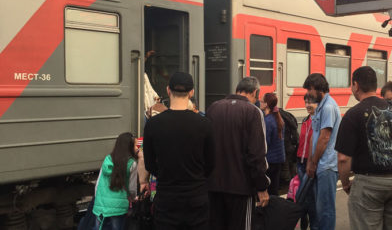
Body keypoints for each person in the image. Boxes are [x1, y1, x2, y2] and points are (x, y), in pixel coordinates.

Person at [336, 67, 392, 230]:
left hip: (370, 184)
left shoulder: (353, 114)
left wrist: (345, 182)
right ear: (375, 85)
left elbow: (343, 158)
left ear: (355, 85)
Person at [143, 72, 215, 229]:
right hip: (197, 197)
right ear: (191, 92)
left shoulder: (153, 124)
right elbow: (211, 164)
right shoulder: (205, 124)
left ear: (168, 90)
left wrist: (164, 174)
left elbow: (149, 164)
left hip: (166, 199)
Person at [206, 76, 270, 230]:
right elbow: (256, 155)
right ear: (255, 92)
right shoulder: (253, 112)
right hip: (241, 188)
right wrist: (262, 187)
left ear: (237, 90)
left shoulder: (213, 108)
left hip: (213, 186)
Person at [303, 73, 341, 230]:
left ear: (317, 89)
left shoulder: (328, 107)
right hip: (320, 164)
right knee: (319, 208)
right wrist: (310, 161)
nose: (308, 94)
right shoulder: (321, 106)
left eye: (309, 90)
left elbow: (324, 138)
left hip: (327, 165)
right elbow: (315, 135)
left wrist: (313, 162)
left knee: (325, 209)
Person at [92, 132, 139, 230]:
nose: (137, 148)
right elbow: (132, 188)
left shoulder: (107, 159)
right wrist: (134, 197)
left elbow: (98, 183)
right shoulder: (132, 164)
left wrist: (98, 200)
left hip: (101, 205)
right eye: (135, 145)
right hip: (119, 206)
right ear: (129, 147)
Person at [296, 93, 318, 230]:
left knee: (306, 197)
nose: (308, 105)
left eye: (311, 102)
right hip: (300, 162)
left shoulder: (319, 121)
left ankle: (314, 225)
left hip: (311, 164)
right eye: (306, 102)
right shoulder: (305, 120)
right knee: (303, 197)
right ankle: (304, 224)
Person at [260, 93, 285, 196]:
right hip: (278, 159)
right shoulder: (279, 119)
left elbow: (266, 143)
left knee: (268, 190)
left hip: (270, 160)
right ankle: (274, 210)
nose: (259, 103)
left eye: (261, 101)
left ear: (266, 104)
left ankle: (267, 211)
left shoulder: (267, 121)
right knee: (274, 189)